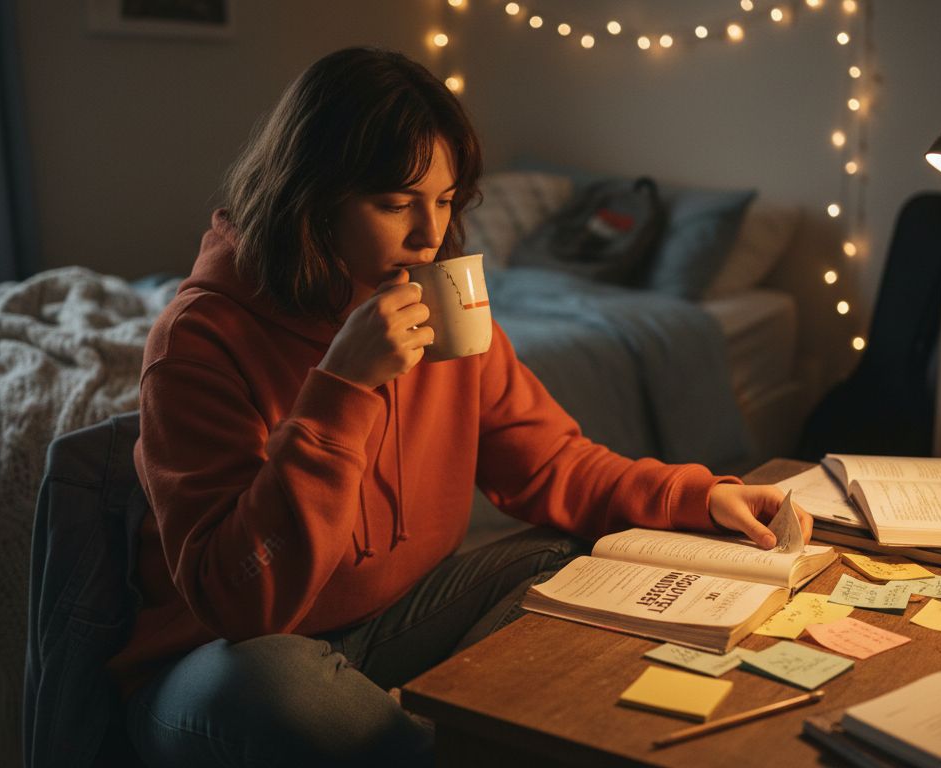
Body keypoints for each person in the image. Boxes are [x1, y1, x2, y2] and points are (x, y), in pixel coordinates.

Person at [107, 46, 812, 767]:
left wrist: (698, 497)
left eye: (444, 201)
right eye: (395, 204)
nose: (430, 236)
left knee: (568, 553)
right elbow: (240, 604)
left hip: (387, 623)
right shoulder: (201, 339)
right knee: (275, 685)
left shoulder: (441, 305)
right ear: (310, 199)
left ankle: (456, 727)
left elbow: (553, 465)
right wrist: (342, 389)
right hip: (223, 659)